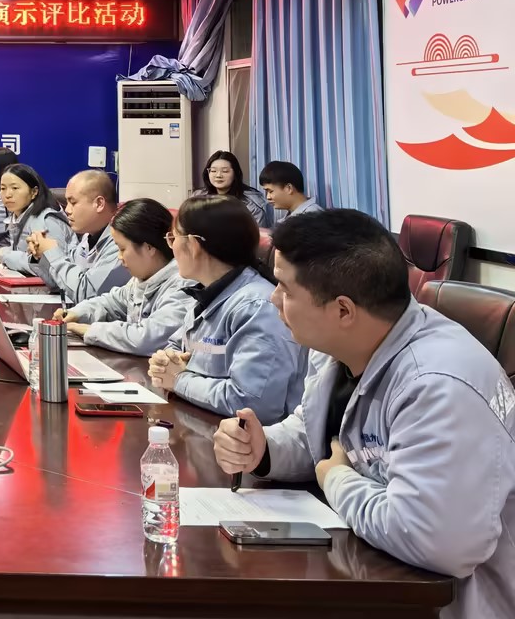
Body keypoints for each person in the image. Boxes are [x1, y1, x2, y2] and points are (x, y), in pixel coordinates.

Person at [214, 210, 515, 619]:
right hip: (372, 575)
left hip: (447, 604)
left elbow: (434, 540)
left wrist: (337, 479)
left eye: (285, 288)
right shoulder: (341, 346)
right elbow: (318, 434)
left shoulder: (437, 384)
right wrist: (263, 448)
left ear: (343, 310)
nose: (273, 299)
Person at [148, 196, 305, 423]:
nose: (170, 247)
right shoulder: (209, 292)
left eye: (173, 238)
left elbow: (253, 403)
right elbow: (177, 345)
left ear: (193, 245)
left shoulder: (257, 307)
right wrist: (165, 361)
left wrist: (180, 380)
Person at [53, 198, 195, 356]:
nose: (119, 257)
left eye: (122, 249)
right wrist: (78, 313)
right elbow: (110, 303)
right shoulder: (142, 279)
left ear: (149, 247)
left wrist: (90, 330)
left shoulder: (183, 286)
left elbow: (147, 338)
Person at [27, 170, 130, 303]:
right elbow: (61, 283)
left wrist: (52, 252)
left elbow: (87, 294)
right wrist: (40, 256)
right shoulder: (88, 237)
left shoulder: (121, 243)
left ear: (99, 204)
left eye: (73, 202)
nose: (67, 210)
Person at [0, 164, 72, 274]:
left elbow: (51, 267)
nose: (7, 194)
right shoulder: (19, 216)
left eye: (15, 188)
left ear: (34, 192)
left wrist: (7, 256)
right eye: (3, 188)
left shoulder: (46, 221)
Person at [194, 150, 274, 229]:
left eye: (225, 171)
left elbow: (258, 234)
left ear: (236, 173)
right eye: (213, 171)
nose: (218, 175)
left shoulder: (250, 205)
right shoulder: (197, 197)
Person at [258, 160, 324, 222]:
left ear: (289, 188)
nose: (268, 197)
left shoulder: (313, 218)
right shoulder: (293, 218)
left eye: (270, 191)